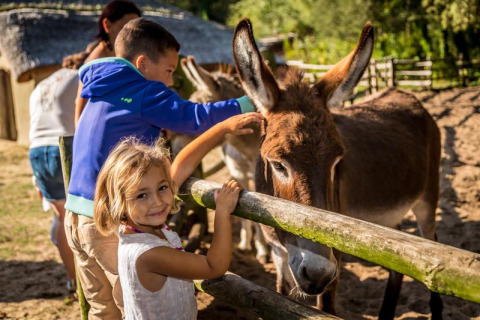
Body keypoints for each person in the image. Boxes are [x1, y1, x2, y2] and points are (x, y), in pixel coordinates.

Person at [64, 17, 257, 319]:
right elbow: (193, 117)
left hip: (76, 215)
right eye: (168, 71)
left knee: (102, 307)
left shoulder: (103, 86)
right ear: (142, 64)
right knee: (132, 304)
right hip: (106, 223)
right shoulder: (141, 91)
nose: (170, 82)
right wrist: (247, 103)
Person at [94, 111, 262, 319]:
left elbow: (183, 164)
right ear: (119, 202)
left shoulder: (134, 225)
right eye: (141, 194)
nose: (157, 201)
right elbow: (214, 266)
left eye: (163, 188)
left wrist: (222, 128)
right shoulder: (149, 253)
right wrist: (222, 211)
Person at [28, 44, 96, 295]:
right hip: (64, 148)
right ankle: (92, 281)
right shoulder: (80, 78)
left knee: (60, 218)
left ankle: (73, 280)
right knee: (82, 217)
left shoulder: (42, 84)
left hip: (37, 152)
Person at [75, 0, 142, 125]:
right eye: (125, 28)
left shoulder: (121, 59)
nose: (133, 35)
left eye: (136, 30)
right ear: (107, 25)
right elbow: (81, 110)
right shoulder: (96, 63)